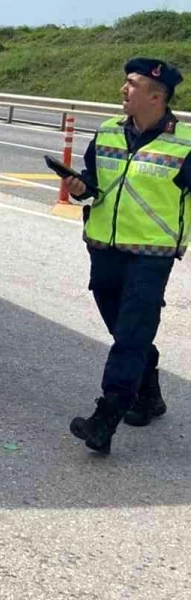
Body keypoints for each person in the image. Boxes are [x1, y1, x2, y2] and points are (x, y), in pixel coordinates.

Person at [62, 58, 189, 454]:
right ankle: (149, 393)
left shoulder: (185, 144)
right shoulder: (107, 132)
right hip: (104, 249)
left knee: (132, 331)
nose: (122, 90)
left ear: (156, 96)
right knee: (128, 332)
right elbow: (94, 185)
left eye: (131, 84)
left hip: (152, 255)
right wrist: (79, 188)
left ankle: (106, 417)